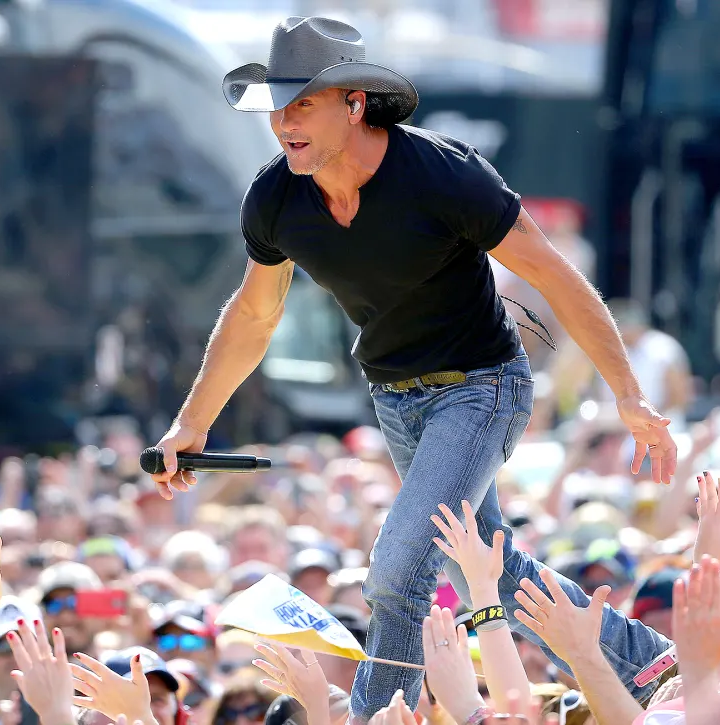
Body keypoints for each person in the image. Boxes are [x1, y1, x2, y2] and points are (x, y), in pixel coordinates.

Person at [151, 16, 678, 721]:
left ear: (354, 102)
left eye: (302, 102)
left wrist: (630, 393)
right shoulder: (275, 198)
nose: (284, 121)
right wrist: (192, 421)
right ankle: (645, 661)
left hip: (483, 385)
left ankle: (378, 716)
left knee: (398, 569)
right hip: (395, 398)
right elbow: (253, 316)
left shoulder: (443, 174)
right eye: (277, 105)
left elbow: (556, 276)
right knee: (489, 566)